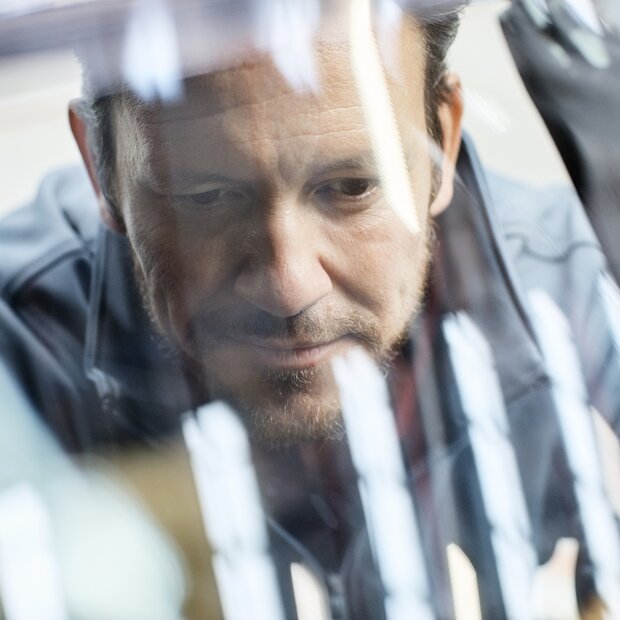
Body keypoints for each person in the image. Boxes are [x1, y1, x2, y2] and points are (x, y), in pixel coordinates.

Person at [1, 1, 618, 617]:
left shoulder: (583, 291)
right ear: (99, 168)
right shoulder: (17, 351)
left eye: (352, 187)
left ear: (446, 137)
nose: (290, 286)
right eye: (206, 197)